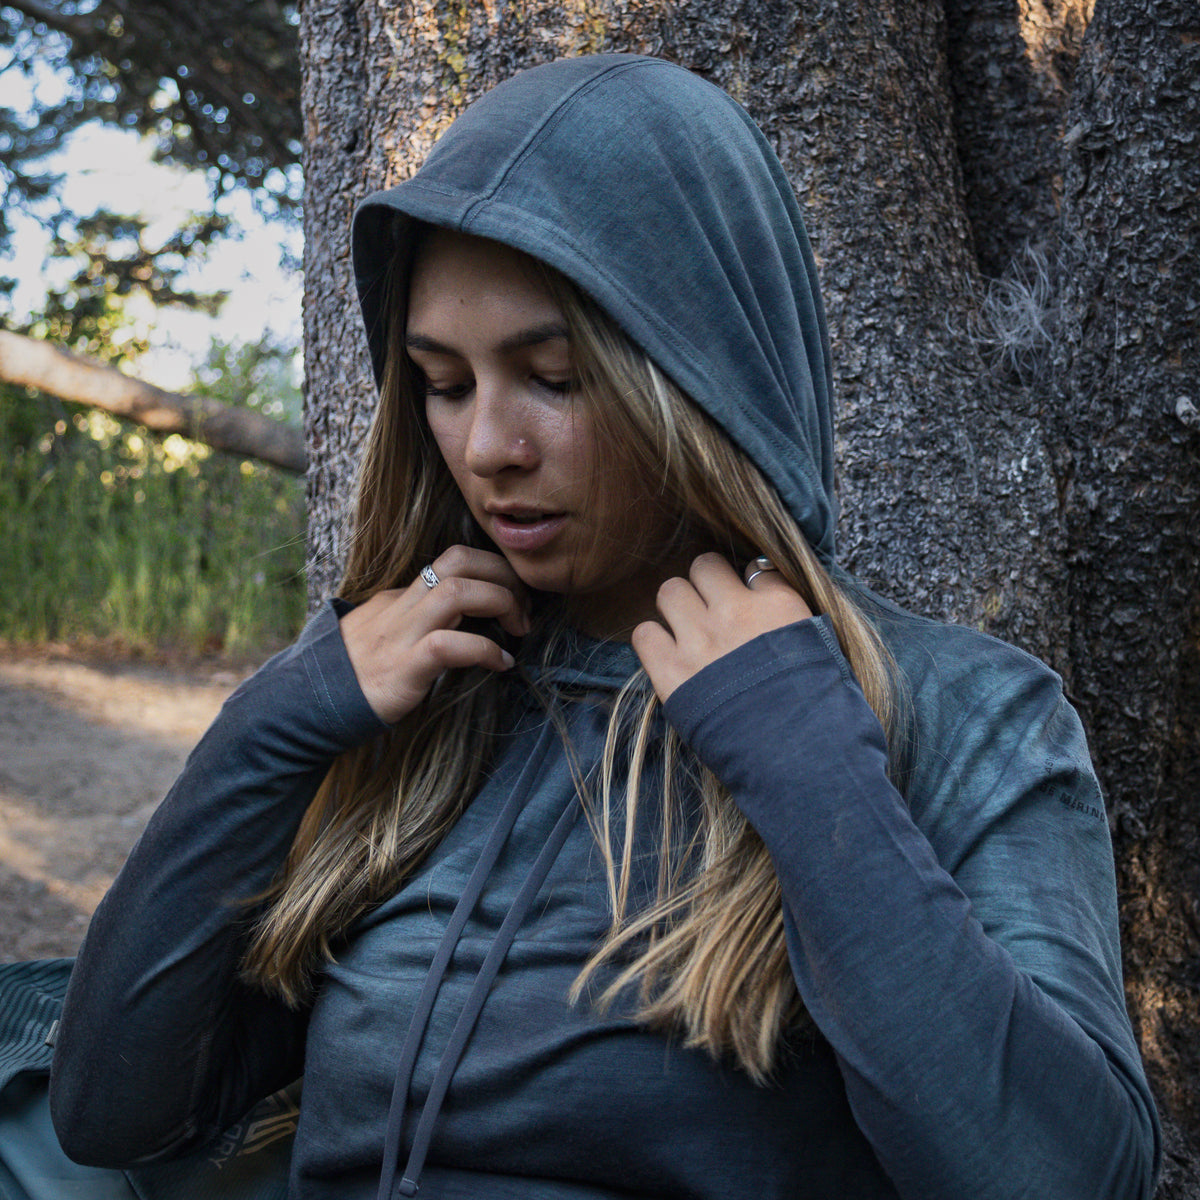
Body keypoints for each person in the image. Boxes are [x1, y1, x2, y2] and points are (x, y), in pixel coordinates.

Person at [47, 53, 1159, 1200]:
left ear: (700, 377)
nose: (488, 448)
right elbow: (110, 1112)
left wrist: (816, 778)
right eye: (443, 382)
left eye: (556, 377)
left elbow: (1064, 1179)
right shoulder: (420, 692)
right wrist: (271, 727)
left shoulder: (962, 714)